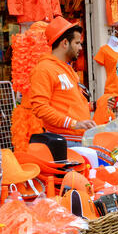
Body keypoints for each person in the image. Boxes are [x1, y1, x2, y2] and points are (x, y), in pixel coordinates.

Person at [29, 16, 97, 148]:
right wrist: (73, 124)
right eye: (77, 43)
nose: (80, 48)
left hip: (77, 140)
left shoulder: (67, 69)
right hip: (65, 142)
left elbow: (68, 104)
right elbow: (40, 108)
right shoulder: (44, 69)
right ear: (65, 43)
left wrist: (94, 106)